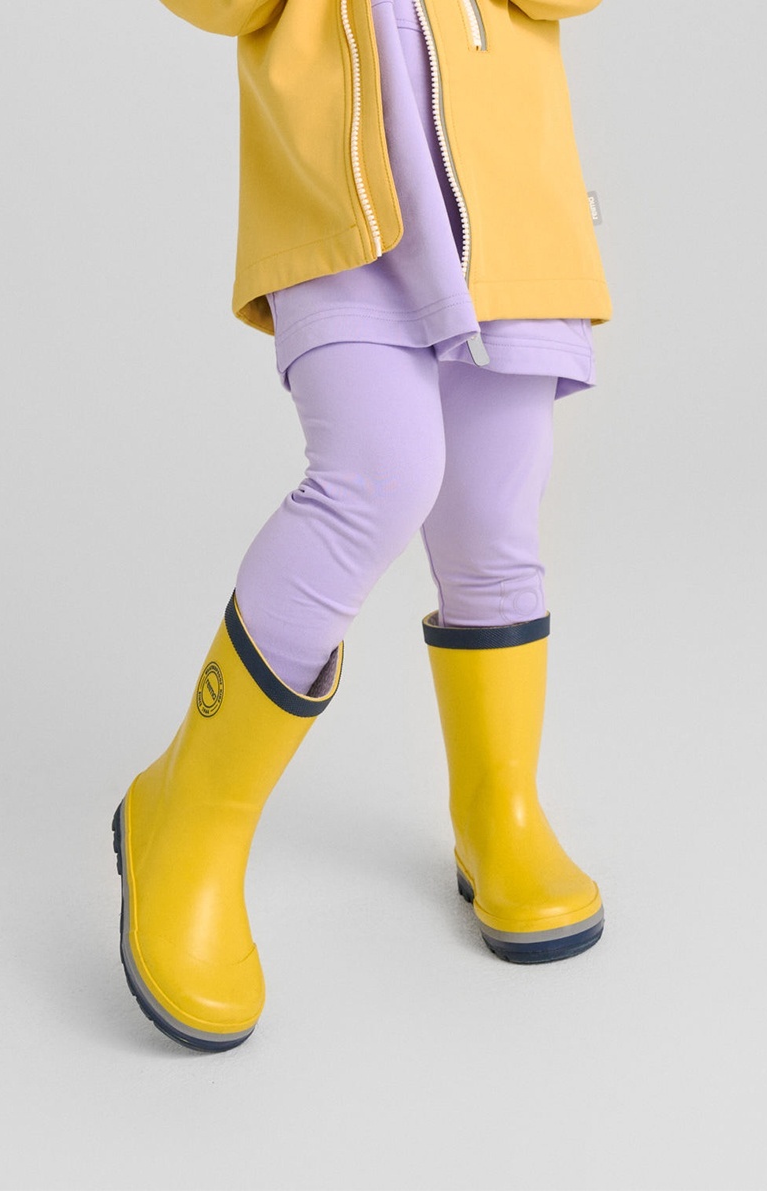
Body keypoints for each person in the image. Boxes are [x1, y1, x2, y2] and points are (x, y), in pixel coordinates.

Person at [112, 0, 613, 1052]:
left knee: (493, 516)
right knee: (377, 477)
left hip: (508, 208)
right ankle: (187, 814)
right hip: (337, 208)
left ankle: (499, 811)